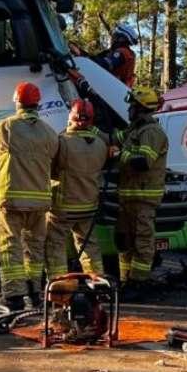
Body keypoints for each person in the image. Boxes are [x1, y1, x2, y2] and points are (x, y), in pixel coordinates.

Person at [0, 82, 60, 308]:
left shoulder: (5, 127)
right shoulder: (49, 132)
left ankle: (14, 296)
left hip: (12, 199)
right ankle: (35, 291)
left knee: (10, 245)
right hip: (39, 202)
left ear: (17, 102)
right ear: (37, 104)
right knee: (35, 247)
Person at [45, 100, 110, 278]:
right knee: (89, 245)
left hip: (63, 208)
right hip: (89, 206)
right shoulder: (101, 145)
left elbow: (50, 170)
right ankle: (97, 282)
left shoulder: (62, 142)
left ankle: (60, 286)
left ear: (70, 117)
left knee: (55, 244)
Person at [114, 86, 168, 299]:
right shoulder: (134, 130)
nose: (128, 110)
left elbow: (143, 162)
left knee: (142, 242)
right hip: (128, 197)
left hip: (144, 198)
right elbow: (113, 137)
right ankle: (126, 281)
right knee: (124, 241)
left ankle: (139, 283)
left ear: (140, 108)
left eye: (132, 106)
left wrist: (122, 154)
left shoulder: (152, 133)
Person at [96, 24, 138, 88]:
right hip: (114, 89)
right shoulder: (120, 52)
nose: (112, 37)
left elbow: (106, 64)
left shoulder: (123, 52)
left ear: (122, 38)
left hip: (112, 90)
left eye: (115, 35)